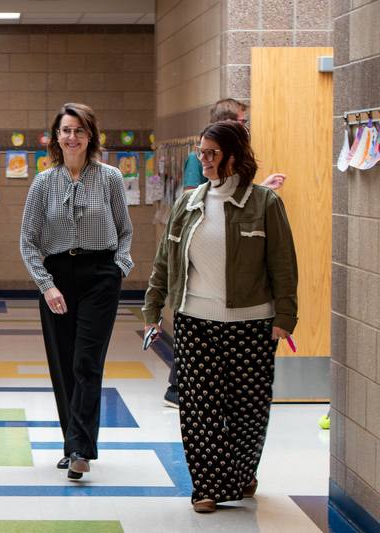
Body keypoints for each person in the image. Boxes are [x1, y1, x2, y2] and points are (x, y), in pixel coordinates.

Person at [142, 121, 298, 513]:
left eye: (211, 153)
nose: (204, 161)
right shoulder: (188, 203)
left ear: (234, 156)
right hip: (195, 320)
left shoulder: (264, 203)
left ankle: (242, 473)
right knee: (199, 407)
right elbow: (164, 262)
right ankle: (207, 488)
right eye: (200, 153)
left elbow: (283, 265)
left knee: (249, 408)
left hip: (253, 322)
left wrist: (285, 316)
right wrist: (152, 310)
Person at [20, 103, 133, 481]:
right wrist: (46, 285)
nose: (72, 137)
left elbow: (125, 232)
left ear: (91, 136)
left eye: (79, 130)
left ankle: (81, 449)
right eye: (66, 130)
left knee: (87, 362)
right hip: (57, 277)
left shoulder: (112, 178)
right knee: (64, 364)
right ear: (56, 137)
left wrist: (119, 269)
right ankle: (72, 443)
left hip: (100, 275)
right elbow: (28, 241)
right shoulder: (42, 183)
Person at [164, 97, 286, 409]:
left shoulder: (264, 202)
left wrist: (262, 190)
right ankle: (178, 390)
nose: (246, 128)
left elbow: (283, 264)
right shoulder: (201, 162)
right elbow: (197, 197)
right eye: (243, 122)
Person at [182, 98, 286, 191]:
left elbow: (235, 197)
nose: (244, 127)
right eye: (242, 121)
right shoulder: (196, 159)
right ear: (228, 122)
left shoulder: (235, 156)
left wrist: (263, 189)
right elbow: (190, 201)